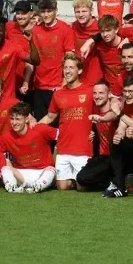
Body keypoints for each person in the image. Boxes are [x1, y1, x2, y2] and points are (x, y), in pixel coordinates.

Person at [38, 54, 94, 190]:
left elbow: (100, 113)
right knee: (61, 187)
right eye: (65, 67)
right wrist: (35, 126)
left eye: (71, 68)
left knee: (82, 187)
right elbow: (50, 117)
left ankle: (85, 179)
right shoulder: (58, 95)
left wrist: (96, 131)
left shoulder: (90, 91)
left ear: (79, 70)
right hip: (63, 149)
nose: (67, 71)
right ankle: (74, 178)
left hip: (82, 148)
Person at [0, 102, 58, 193]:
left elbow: (62, 136)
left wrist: (57, 158)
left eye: (18, 119)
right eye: (12, 119)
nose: (14, 123)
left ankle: (38, 186)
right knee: (5, 167)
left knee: (51, 170)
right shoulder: (6, 136)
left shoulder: (40, 129)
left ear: (27, 119)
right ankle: (11, 187)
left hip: (43, 171)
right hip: (21, 174)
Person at [30, 0, 75, 118]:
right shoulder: (35, 30)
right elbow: (32, 59)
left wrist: (64, 84)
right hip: (39, 86)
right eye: (43, 11)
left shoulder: (65, 29)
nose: (46, 14)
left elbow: (70, 58)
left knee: (57, 125)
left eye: (49, 11)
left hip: (57, 86)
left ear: (56, 11)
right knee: (41, 125)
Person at [75, 80, 121, 190]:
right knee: (81, 179)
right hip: (103, 156)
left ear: (109, 94)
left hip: (117, 157)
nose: (97, 96)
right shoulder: (95, 108)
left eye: (101, 93)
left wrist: (102, 119)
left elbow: (113, 115)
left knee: (85, 180)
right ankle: (111, 181)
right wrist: (93, 134)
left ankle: (116, 181)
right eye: (95, 93)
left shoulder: (115, 107)